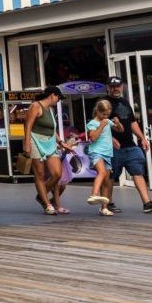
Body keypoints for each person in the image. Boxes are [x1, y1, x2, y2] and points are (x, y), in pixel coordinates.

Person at [106, 75, 152, 213]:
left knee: (137, 172)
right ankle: (107, 203)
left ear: (122, 86)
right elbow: (98, 123)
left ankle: (147, 203)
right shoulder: (104, 102)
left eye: (118, 86)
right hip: (112, 148)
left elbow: (132, 122)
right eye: (112, 87)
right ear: (108, 88)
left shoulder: (125, 102)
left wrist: (142, 137)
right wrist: (110, 139)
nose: (115, 89)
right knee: (110, 176)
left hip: (130, 145)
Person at [22, 85, 72, 215]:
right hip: (35, 141)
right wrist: (27, 143)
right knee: (40, 174)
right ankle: (46, 203)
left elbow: (52, 130)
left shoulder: (50, 109)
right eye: (58, 98)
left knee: (57, 173)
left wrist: (61, 142)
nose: (58, 101)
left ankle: (41, 195)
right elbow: (28, 126)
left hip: (50, 142)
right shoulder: (36, 106)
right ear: (52, 95)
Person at [84, 99, 114, 213]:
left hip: (107, 153)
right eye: (104, 114)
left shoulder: (107, 120)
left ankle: (104, 208)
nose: (105, 116)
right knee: (101, 172)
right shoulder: (93, 123)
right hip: (96, 152)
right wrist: (101, 126)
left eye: (108, 114)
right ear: (98, 111)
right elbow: (93, 138)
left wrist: (118, 123)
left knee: (106, 181)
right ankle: (93, 195)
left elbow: (119, 129)